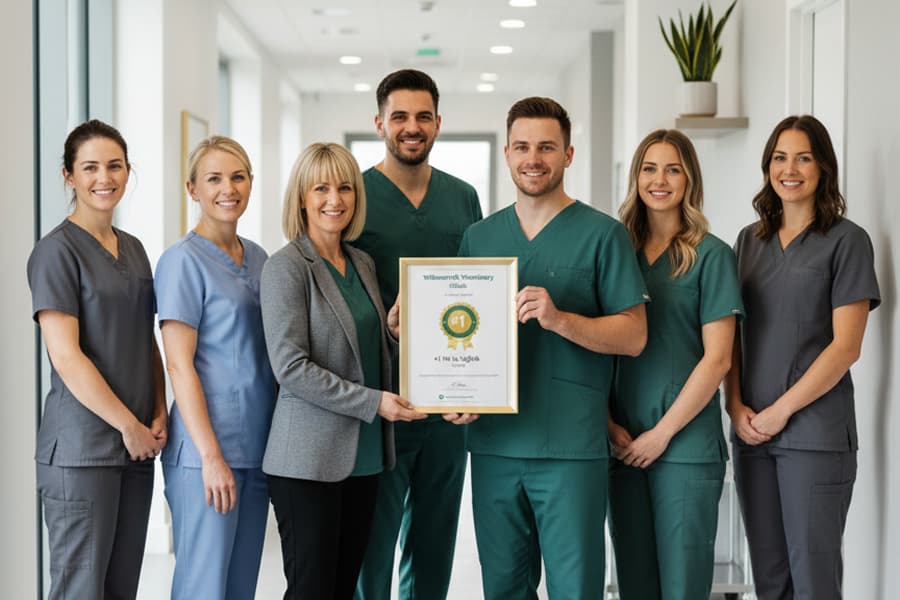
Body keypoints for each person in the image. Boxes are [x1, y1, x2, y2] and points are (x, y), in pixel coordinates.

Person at [456, 97, 648, 599]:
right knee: (502, 587)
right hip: (495, 445)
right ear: (506, 154)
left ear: (568, 154)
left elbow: (634, 335)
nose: (533, 158)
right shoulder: (479, 238)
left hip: (571, 449)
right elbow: (456, 337)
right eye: (522, 146)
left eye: (546, 146)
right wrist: (452, 394)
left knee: (575, 588)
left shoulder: (603, 235)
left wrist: (561, 320)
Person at [260, 142, 428, 599]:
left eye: (345, 188)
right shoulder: (286, 268)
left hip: (365, 458)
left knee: (341, 589)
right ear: (301, 197)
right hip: (307, 462)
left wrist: (391, 333)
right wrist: (374, 402)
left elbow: (364, 351)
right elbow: (291, 368)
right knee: (312, 590)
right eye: (321, 188)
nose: (335, 199)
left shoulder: (361, 262)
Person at [725, 115, 880, 600]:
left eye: (804, 157)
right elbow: (732, 337)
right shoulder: (748, 241)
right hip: (752, 435)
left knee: (813, 582)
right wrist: (735, 407)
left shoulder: (847, 241)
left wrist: (781, 411)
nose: (790, 169)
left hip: (815, 436)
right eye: (779, 157)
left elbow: (846, 347)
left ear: (823, 168)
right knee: (769, 580)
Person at [352, 68, 483, 600]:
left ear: (437, 124)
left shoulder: (463, 197)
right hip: (381, 395)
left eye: (423, 116)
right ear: (379, 122)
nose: (412, 126)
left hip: (449, 401)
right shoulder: (355, 194)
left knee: (434, 540)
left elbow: (477, 288)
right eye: (399, 116)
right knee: (372, 545)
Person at [26, 119, 167, 600]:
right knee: (80, 590)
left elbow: (144, 337)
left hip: (136, 447)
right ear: (69, 176)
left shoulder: (134, 248)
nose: (103, 178)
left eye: (114, 166)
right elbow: (66, 356)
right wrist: (128, 425)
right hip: (83, 452)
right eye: (89, 168)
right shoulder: (55, 252)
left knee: (121, 588)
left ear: (129, 171)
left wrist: (158, 409)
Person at [607, 129, 743, 600]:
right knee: (634, 585)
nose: (659, 180)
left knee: (683, 588)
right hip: (622, 445)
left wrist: (661, 434)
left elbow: (719, 357)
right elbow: (596, 345)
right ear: (635, 177)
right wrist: (610, 425)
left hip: (683, 447)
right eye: (649, 168)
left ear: (689, 179)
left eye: (673, 168)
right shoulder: (614, 249)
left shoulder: (712, 256)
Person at [154, 136, 277, 599]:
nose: (228, 188)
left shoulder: (261, 258)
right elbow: (179, 366)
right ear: (193, 189)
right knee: (203, 588)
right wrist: (210, 458)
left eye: (238, 176)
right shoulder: (182, 261)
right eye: (214, 179)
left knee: (240, 586)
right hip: (207, 454)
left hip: (256, 450)